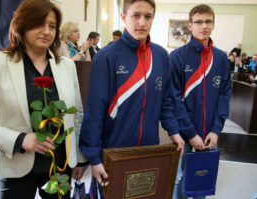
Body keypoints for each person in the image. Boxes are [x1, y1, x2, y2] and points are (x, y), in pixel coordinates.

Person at [0, 0, 86, 198]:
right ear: (21, 25)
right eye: (38, 24)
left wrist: (79, 159)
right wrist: (21, 140)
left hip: (58, 165)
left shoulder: (66, 66)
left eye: (52, 26)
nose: (46, 31)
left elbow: (76, 115)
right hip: (14, 163)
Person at [79, 0, 184, 187]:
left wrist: (173, 129)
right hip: (114, 150)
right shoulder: (106, 57)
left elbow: (165, 100)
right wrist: (94, 158)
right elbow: (94, 110)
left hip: (149, 148)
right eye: (136, 15)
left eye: (148, 16)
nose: (142, 22)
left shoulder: (160, 55)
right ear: (124, 17)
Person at [168, 4, 231, 199]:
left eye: (208, 21)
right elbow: (174, 98)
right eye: (198, 22)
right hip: (183, 132)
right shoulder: (177, 57)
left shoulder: (220, 58)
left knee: (202, 176)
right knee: (179, 177)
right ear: (190, 26)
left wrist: (216, 129)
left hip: (209, 132)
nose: (204, 26)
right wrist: (191, 133)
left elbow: (224, 94)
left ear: (213, 24)